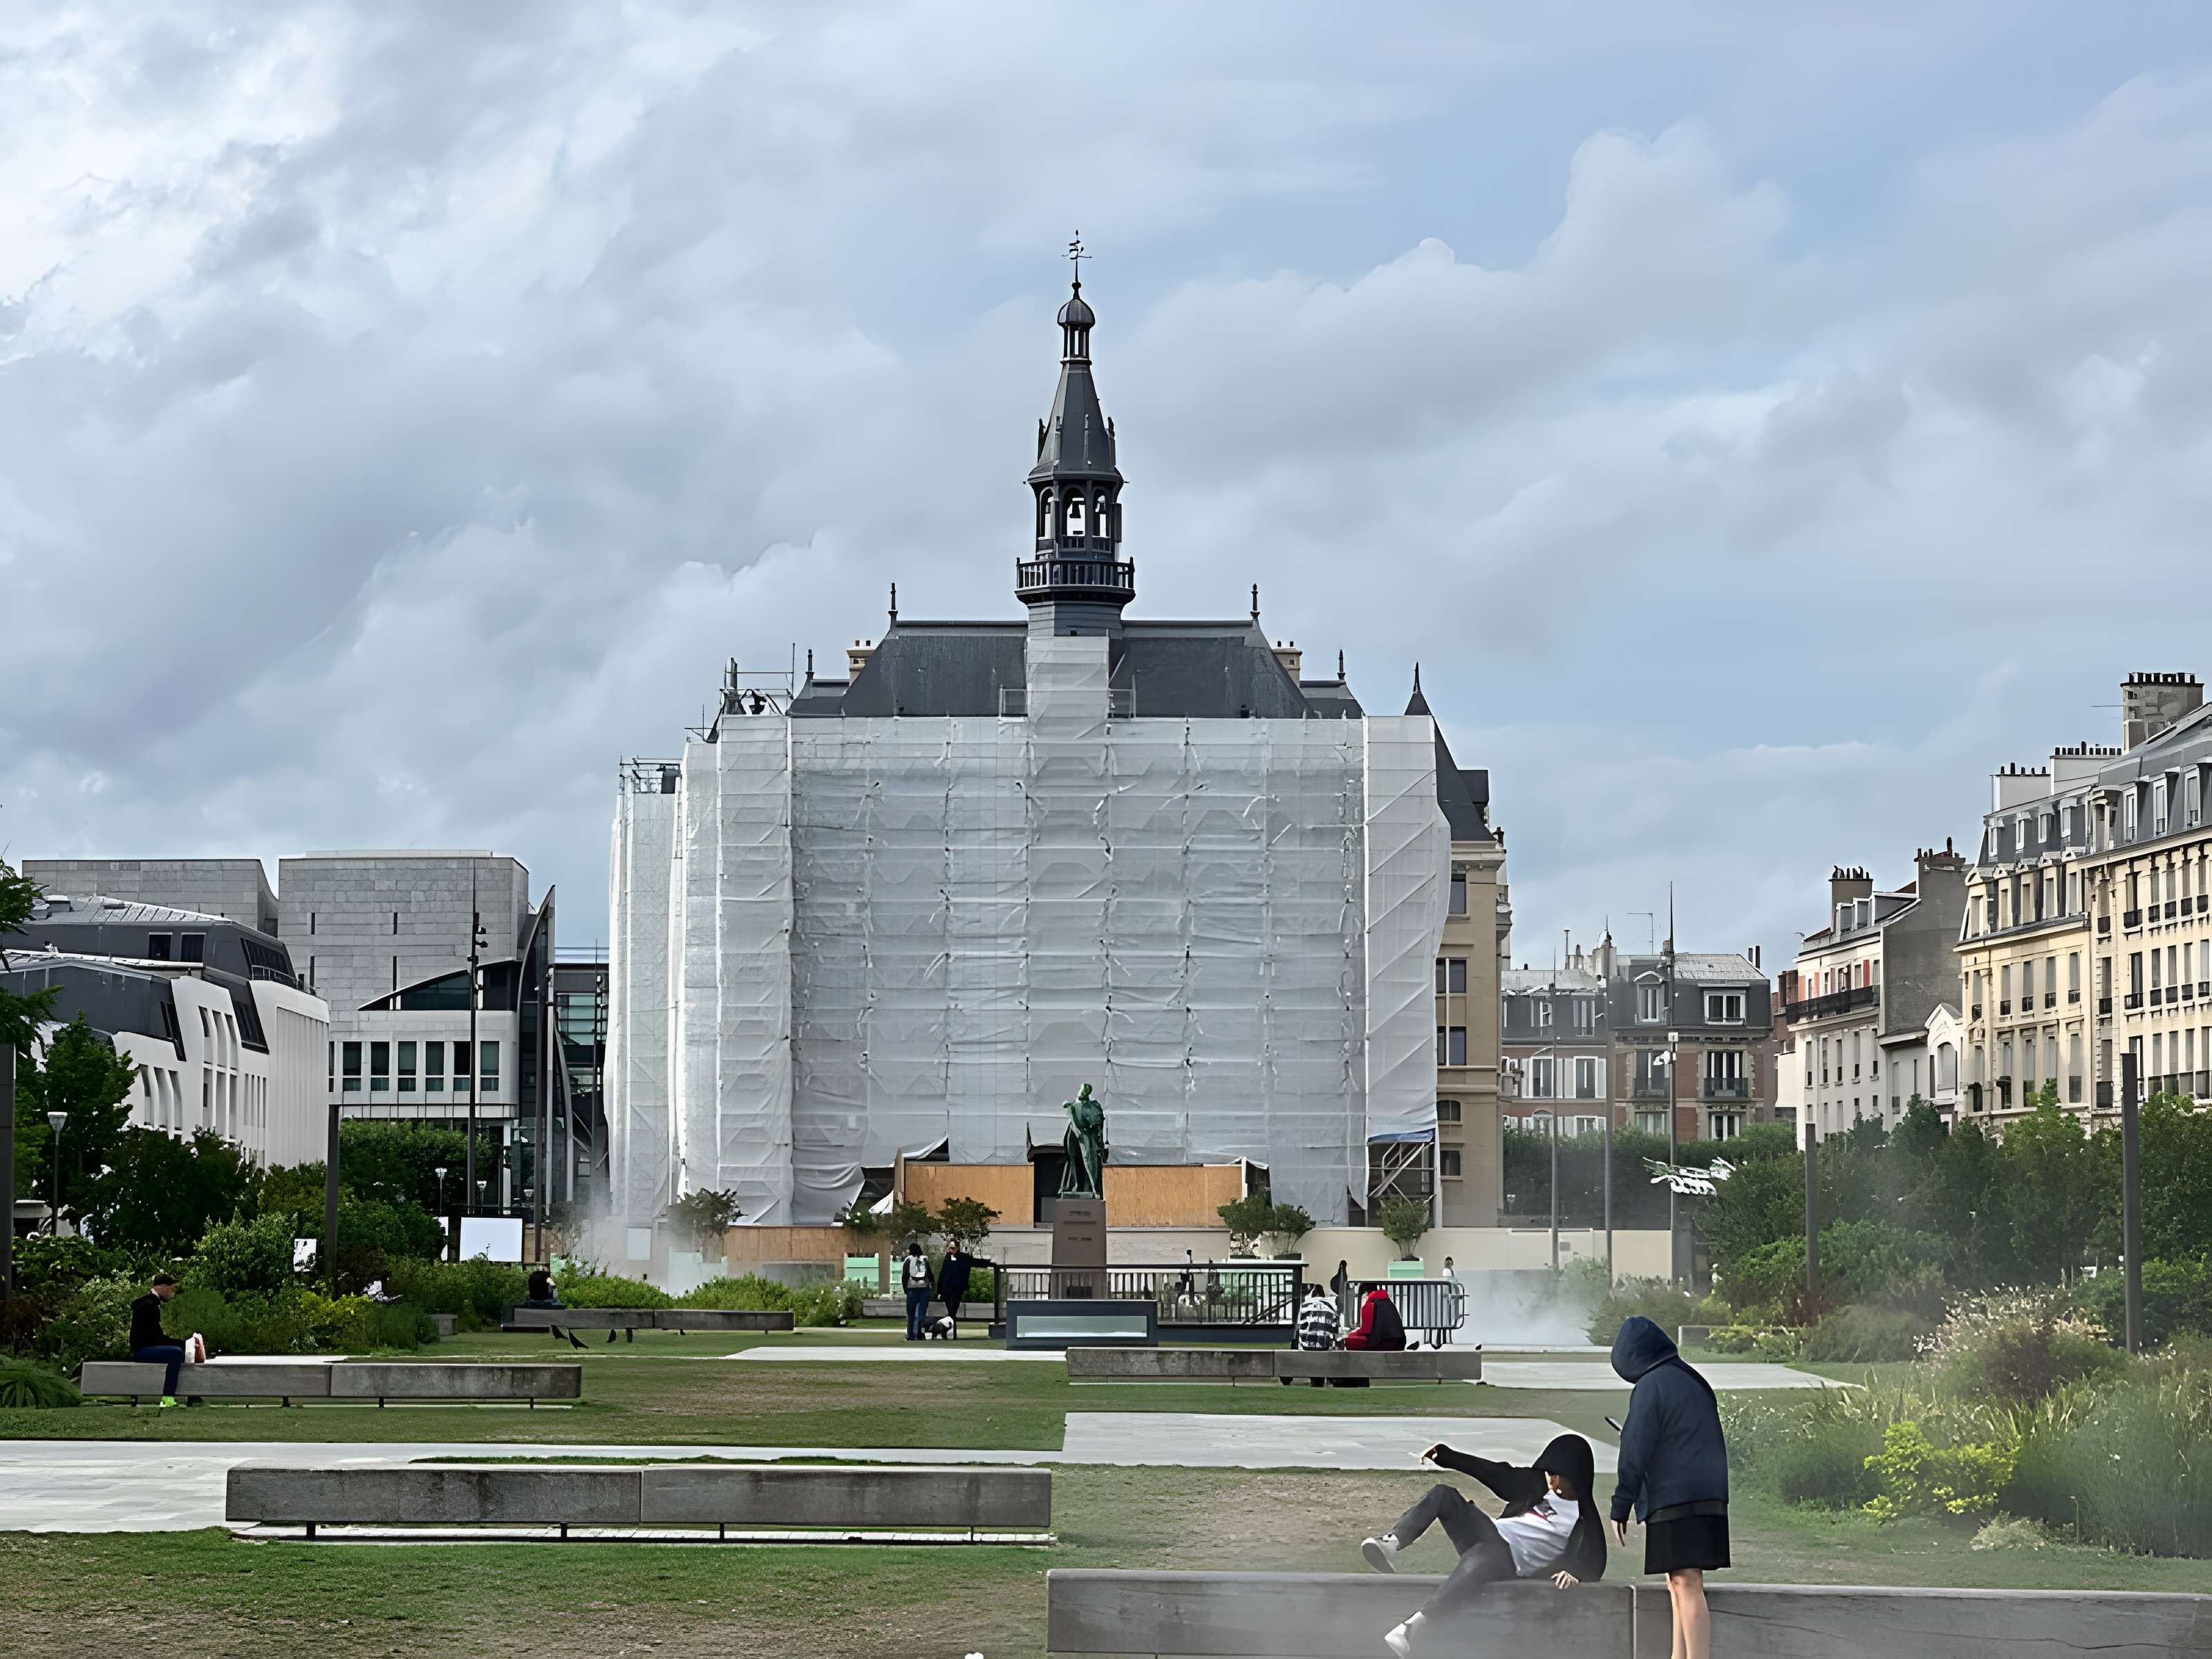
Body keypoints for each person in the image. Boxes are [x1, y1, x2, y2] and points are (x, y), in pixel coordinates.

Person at [1360, 1433, 1604, 1656]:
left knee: (1481, 1557)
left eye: (1555, 1474)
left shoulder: (1584, 1516)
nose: (1550, 1479)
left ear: (1575, 1476)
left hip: (1508, 1562)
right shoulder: (1535, 1485)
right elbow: (1497, 1473)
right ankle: (1390, 1543)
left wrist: (1577, 1572)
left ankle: (1410, 1629)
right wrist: (1447, 1456)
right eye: (1548, 1472)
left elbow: (1595, 1557)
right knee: (1444, 1494)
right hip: (1491, 1533)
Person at [1609, 1316, 1730, 1659]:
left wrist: (1622, 1504)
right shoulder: (1692, 1378)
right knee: (1678, 1581)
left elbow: (1635, 1448)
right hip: (1707, 1495)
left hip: (1676, 1498)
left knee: (1686, 1582)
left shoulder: (1651, 1386)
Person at [128, 1273, 187, 1409]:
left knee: (178, 1350)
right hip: (142, 1351)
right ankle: (167, 1397)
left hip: (145, 1347)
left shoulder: (149, 1303)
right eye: (172, 1290)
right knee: (176, 1353)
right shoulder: (149, 1306)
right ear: (163, 1287)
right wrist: (183, 1344)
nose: (172, 1295)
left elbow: (155, 1337)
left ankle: (192, 1394)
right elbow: (156, 1339)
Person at [938, 1244, 986, 1335]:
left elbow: (976, 1262)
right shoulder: (947, 1258)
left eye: (952, 1248)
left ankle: (950, 1331)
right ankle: (950, 1331)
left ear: (957, 1248)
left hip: (958, 1288)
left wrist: (989, 1263)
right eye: (950, 1248)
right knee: (951, 1310)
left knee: (952, 1309)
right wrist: (940, 1290)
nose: (950, 1250)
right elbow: (943, 1274)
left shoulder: (964, 1258)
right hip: (947, 1288)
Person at [1342, 1283, 1407, 1351]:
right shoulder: (1386, 1300)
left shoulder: (1371, 1303)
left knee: (1349, 1340)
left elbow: (1366, 1331)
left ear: (1365, 1293)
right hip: (1400, 1342)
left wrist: (1353, 1332)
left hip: (1385, 1343)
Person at [900, 1241, 933, 1341]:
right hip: (924, 1289)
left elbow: (905, 1276)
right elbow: (930, 1276)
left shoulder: (908, 1261)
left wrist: (906, 1289)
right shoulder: (925, 1261)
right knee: (921, 1313)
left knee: (911, 1313)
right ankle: (920, 1334)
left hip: (912, 1290)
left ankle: (911, 1335)